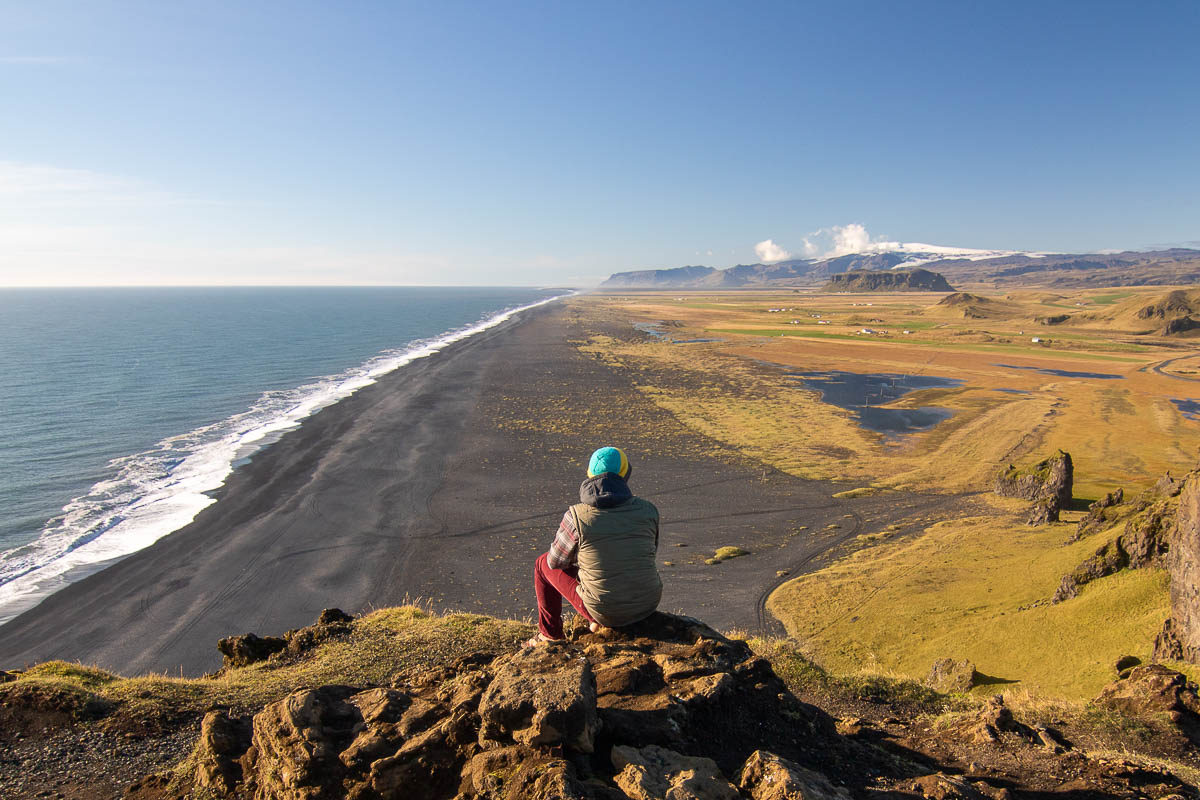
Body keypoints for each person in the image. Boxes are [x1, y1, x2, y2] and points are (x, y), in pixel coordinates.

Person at [527, 446, 662, 646]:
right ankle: (600, 619)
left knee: (542, 564)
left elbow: (555, 562)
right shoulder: (649, 510)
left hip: (604, 609)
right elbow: (649, 553)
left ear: (589, 475)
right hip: (648, 602)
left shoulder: (576, 516)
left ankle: (550, 635)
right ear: (626, 475)